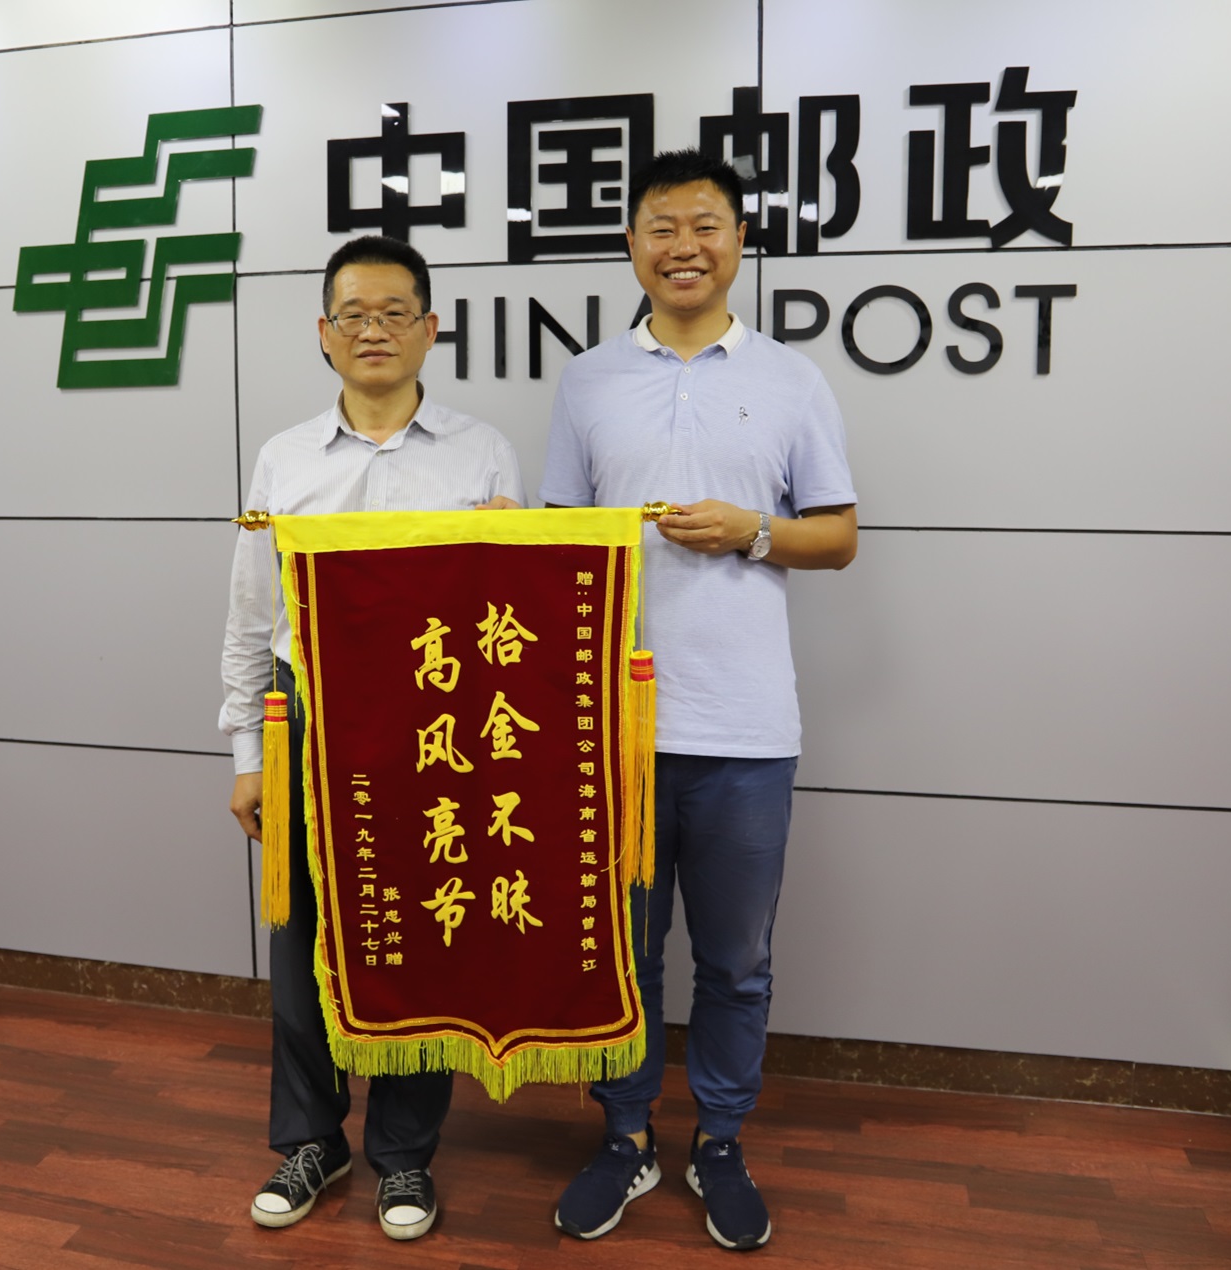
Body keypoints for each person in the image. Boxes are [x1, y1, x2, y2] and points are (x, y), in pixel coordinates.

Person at [540, 150, 857, 1252]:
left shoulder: (791, 379)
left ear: (738, 241)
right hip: (611, 731)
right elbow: (556, 542)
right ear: (631, 246)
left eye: (705, 224)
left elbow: (839, 537)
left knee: (735, 961)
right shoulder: (585, 381)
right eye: (662, 227)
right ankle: (624, 1135)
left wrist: (752, 531)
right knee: (621, 957)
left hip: (745, 726)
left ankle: (719, 1140)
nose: (684, 246)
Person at [220, 234, 523, 1242]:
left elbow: (506, 620)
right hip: (311, 717)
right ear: (323, 333)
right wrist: (248, 756)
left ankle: (404, 1155)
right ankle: (313, 1140)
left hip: (434, 726)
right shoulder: (283, 459)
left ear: (431, 330)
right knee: (303, 938)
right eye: (353, 314)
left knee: (425, 936)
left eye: (395, 313)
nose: (373, 330)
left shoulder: (482, 453)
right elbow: (251, 621)